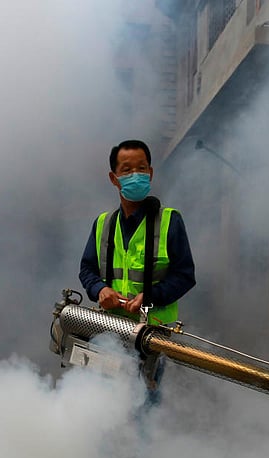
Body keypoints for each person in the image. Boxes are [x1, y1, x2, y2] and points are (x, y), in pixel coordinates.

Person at [79, 139, 196, 401]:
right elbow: (87, 270)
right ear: (114, 178)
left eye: (142, 169)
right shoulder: (103, 224)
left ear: (151, 173)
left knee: (145, 407)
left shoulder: (170, 221)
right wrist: (100, 290)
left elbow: (185, 276)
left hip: (153, 337)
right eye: (127, 170)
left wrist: (151, 296)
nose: (136, 176)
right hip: (109, 331)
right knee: (102, 405)